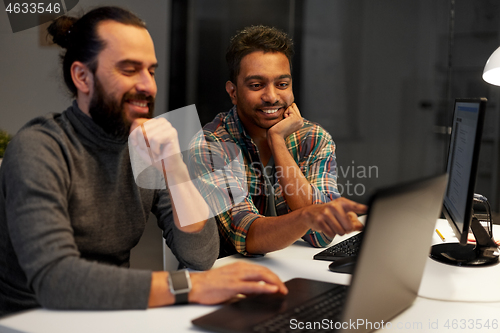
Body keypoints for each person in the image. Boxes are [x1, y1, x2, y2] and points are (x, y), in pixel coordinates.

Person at [0, 7, 286, 318]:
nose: (149, 86)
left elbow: (201, 255)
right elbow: (57, 280)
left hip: (114, 314)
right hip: (34, 321)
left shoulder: (145, 148)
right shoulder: (39, 149)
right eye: (129, 70)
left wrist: (175, 168)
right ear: (82, 77)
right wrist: (188, 287)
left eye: (150, 71)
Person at [190, 26, 367, 257]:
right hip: (226, 276)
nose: (272, 96)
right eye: (256, 85)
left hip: (289, 269)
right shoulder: (210, 144)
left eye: (282, 84)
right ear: (233, 92)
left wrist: (277, 141)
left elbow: (321, 235)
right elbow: (247, 238)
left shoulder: (313, 139)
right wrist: (307, 216)